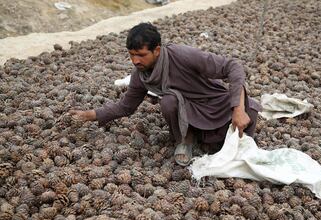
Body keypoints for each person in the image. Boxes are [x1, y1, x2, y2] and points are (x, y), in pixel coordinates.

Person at [70, 22, 261, 166]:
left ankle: (209, 136)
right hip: (188, 110)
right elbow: (126, 106)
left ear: (157, 50)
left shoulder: (182, 55)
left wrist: (237, 108)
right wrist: (89, 115)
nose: (135, 61)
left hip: (214, 102)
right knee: (168, 101)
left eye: (141, 55)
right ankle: (184, 140)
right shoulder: (141, 74)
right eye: (131, 55)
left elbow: (233, 66)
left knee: (249, 110)